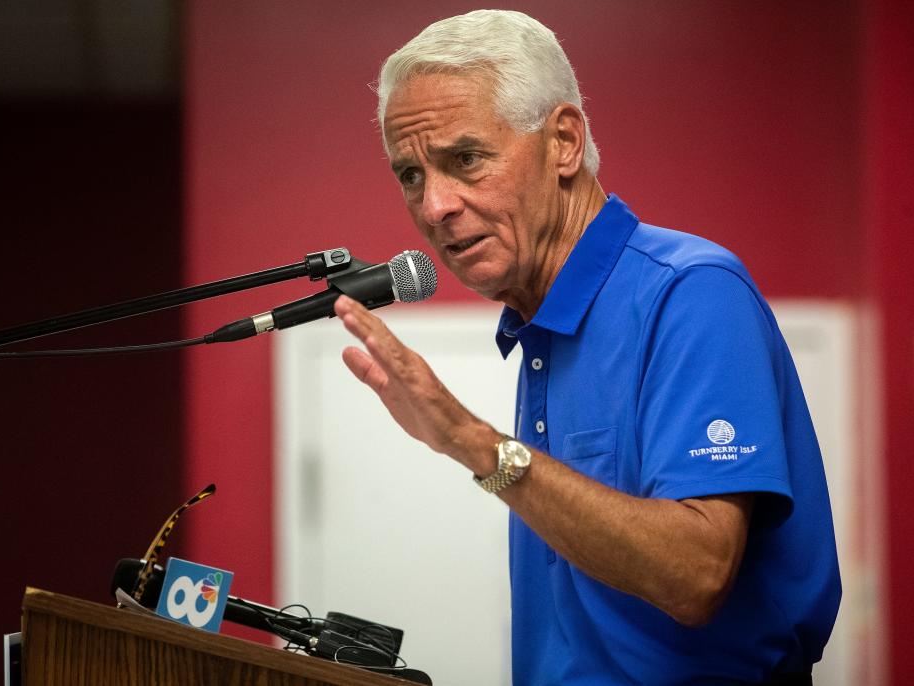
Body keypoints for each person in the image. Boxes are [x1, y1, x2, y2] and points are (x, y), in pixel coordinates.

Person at [333, 9, 840, 685]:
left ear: (563, 141)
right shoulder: (537, 320)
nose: (434, 208)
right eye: (410, 176)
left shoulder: (687, 290)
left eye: (465, 160)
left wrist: (471, 443)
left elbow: (694, 574)